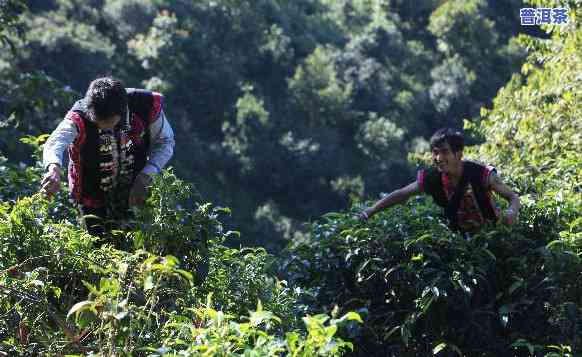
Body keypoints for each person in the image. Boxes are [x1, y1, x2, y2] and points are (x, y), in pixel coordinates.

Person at [40, 77, 175, 237]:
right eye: (98, 121)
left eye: (110, 121)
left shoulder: (144, 105)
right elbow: (55, 141)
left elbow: (165, 142)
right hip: (89, 187)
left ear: (122, 109)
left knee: (135, 244)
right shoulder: (78, 117)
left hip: (134, 186)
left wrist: (146, 175)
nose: (104, 127)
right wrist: (54, 168)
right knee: (96, 244)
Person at [358, 128, 520, 233]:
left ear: (458, 154)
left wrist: (511, 212)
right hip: (460, 241)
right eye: (435, 153)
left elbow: (512, 197)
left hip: (493, 236)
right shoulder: (433, 178)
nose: (438, 158)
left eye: (444, 152)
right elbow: (401, 194)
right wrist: (370, 211)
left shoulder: (480, 173)